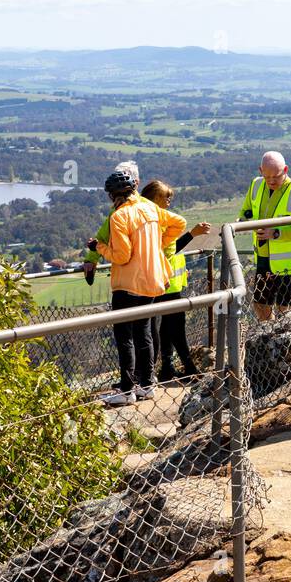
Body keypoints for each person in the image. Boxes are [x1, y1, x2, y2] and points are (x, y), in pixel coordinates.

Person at [90, 168, 186, 406]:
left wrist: (98, 248)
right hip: (151, 282)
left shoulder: (119, 216)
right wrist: (156, 244)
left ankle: (126, 389)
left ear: (113, 195)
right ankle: (147, 385)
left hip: (127, 284)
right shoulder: (149, 208)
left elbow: (121, 256)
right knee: (144, 333)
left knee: (125, 337)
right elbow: (179, 223)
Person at [142, 179, 211, 382]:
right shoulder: (155, 221)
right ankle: (188, 367)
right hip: (165, 284)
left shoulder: (159, 218)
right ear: (154, 198)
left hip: (169, 282)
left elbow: (171, 253)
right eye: (166, 197)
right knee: (176, 326)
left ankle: (167, 368)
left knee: (168, 328)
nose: (169, 201)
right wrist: (192, 234)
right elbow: (166, 250)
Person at [239, 151, 291, 321]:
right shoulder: (255, 185)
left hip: (289, 262)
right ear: (260, 170)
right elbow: (246, 211)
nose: (271, 181)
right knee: (260, 303)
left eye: (276, 176)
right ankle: (268, 338)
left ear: (285, 170)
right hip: (264, 257)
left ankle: (285, 342)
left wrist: (275, 233)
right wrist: (242, 221)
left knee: (284, 308)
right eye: (267, 176)